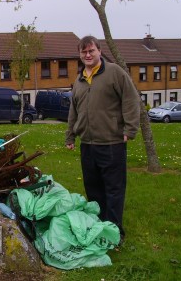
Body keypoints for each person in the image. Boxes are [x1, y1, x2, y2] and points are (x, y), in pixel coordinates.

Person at [65, 35, 140, 241]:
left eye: (91, 51)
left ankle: (115, 232)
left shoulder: (115, 72)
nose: (88, 55)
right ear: (80, 55)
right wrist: (70, 135)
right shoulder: (79, 81)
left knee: (114, 190)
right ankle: (99, 227)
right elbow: (74, 110)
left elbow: (131, 99)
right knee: (93, 190)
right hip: (88, 145)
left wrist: (130, 129)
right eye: (84, 52)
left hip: (112, 143)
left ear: (99, 51)